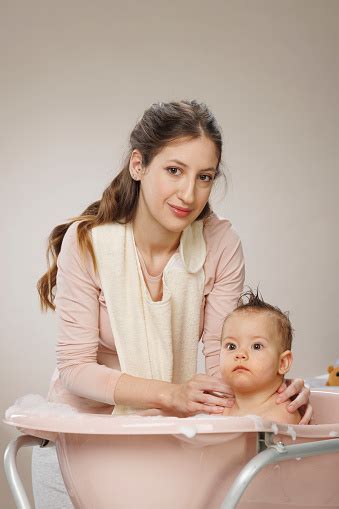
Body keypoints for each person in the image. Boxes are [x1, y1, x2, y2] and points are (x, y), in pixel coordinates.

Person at [32, 100, 311, 507]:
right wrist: (171, 395)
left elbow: (221, 354)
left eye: (205, 177)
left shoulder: (220, 245)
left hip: (162, 447)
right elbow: (75, 368)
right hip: (78, 442)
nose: (188, 193)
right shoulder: (88, 242)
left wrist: (270, 389)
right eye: (174, 170)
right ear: (138, 166)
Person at [221, 289, 301, 423]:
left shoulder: (281, 418)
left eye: (256, 346)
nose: (240, 354)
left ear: (283, 363)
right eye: (231, 346)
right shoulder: (220, 410)